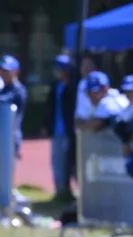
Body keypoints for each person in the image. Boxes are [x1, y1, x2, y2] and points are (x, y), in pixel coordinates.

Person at [46, 54, 77, 201]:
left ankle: (70, 192)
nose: (56, 72)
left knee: (70, 163)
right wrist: (46, 125)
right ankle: (61, 192)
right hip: (57, 131)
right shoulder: (54, 86)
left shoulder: (73, 87)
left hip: (70, 131)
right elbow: (50, 108)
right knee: (57, 161)